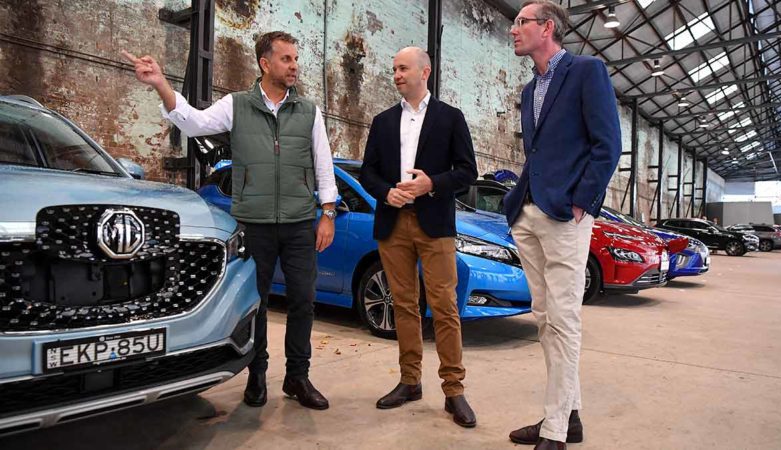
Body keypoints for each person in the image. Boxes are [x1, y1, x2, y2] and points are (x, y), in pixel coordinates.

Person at [122, 31, 337, 411]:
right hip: (253, 223)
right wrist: (160, 84)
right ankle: (256, 374)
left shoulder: (309, 111)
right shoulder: (236, 105)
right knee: (255, 302)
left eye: (295, 59)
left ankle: (298, 377)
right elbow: (192, 122)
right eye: (286, 59)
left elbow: (323, 165)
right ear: (265, 63)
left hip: (300, 222)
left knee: (303, 300)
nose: (294, 66)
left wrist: (328, 213)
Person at [503, 1, 621, 448]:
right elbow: (538, 154)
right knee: (544, 319)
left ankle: (554, 429)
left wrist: (582, 203)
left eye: (521, 22)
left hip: (565, 214)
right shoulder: (530, 87)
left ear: (547, 28)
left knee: (565, 320)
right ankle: (568, 416)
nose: (514, 30)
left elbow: (607, 144)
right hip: (530, 211)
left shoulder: (587, 71)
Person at [359, 47, 479, 428]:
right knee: (404, 305)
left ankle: (454, 391)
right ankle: (410, 381)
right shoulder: (382, 121)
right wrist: (385, 192)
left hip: (434, 225)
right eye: (393, 68)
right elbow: (368, 173)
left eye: (403, 68)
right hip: (393, 225)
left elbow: (467, 172)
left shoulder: (450, 118)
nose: (396, 74)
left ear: (424, 71)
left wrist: (432, 184)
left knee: (444, 306)